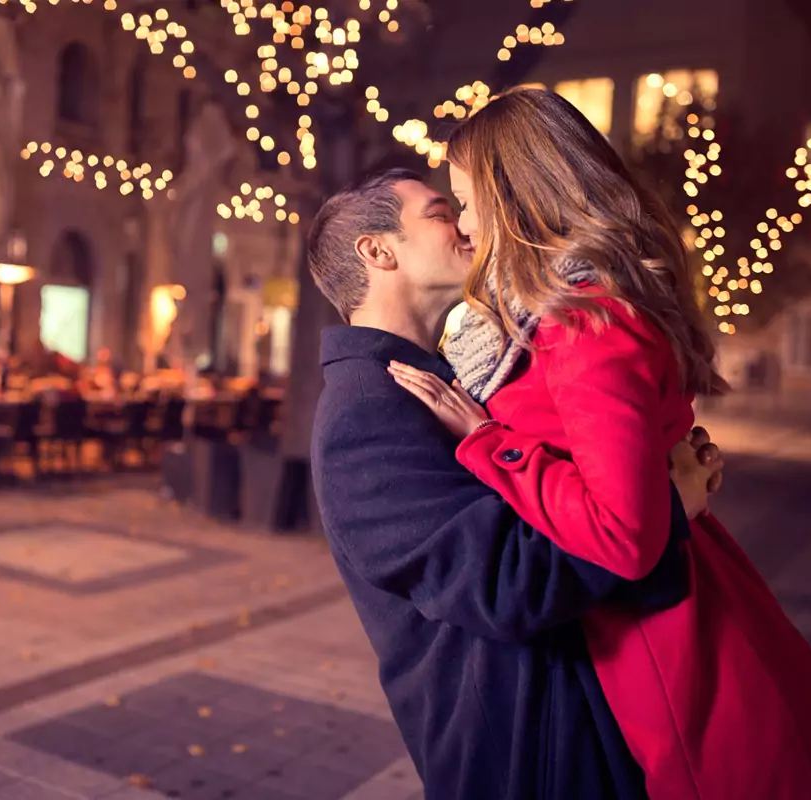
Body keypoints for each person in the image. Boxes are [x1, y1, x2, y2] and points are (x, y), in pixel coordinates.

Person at [388, 88, 811, 799]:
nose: (462, 222)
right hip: (633, 621)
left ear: (514, 194)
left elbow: (624, 534)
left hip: (654, 640)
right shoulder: (558, 309)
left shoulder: (587, 321)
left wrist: (488, 442)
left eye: (466, 199)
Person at [308, 169, 724, 799]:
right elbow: (504, 583)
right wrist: (664, 511)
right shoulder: (365, 411)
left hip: (550, 719)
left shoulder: (436, 380)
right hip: (515, 748)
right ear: (378, 250)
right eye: (443, 212)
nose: (469, 227)